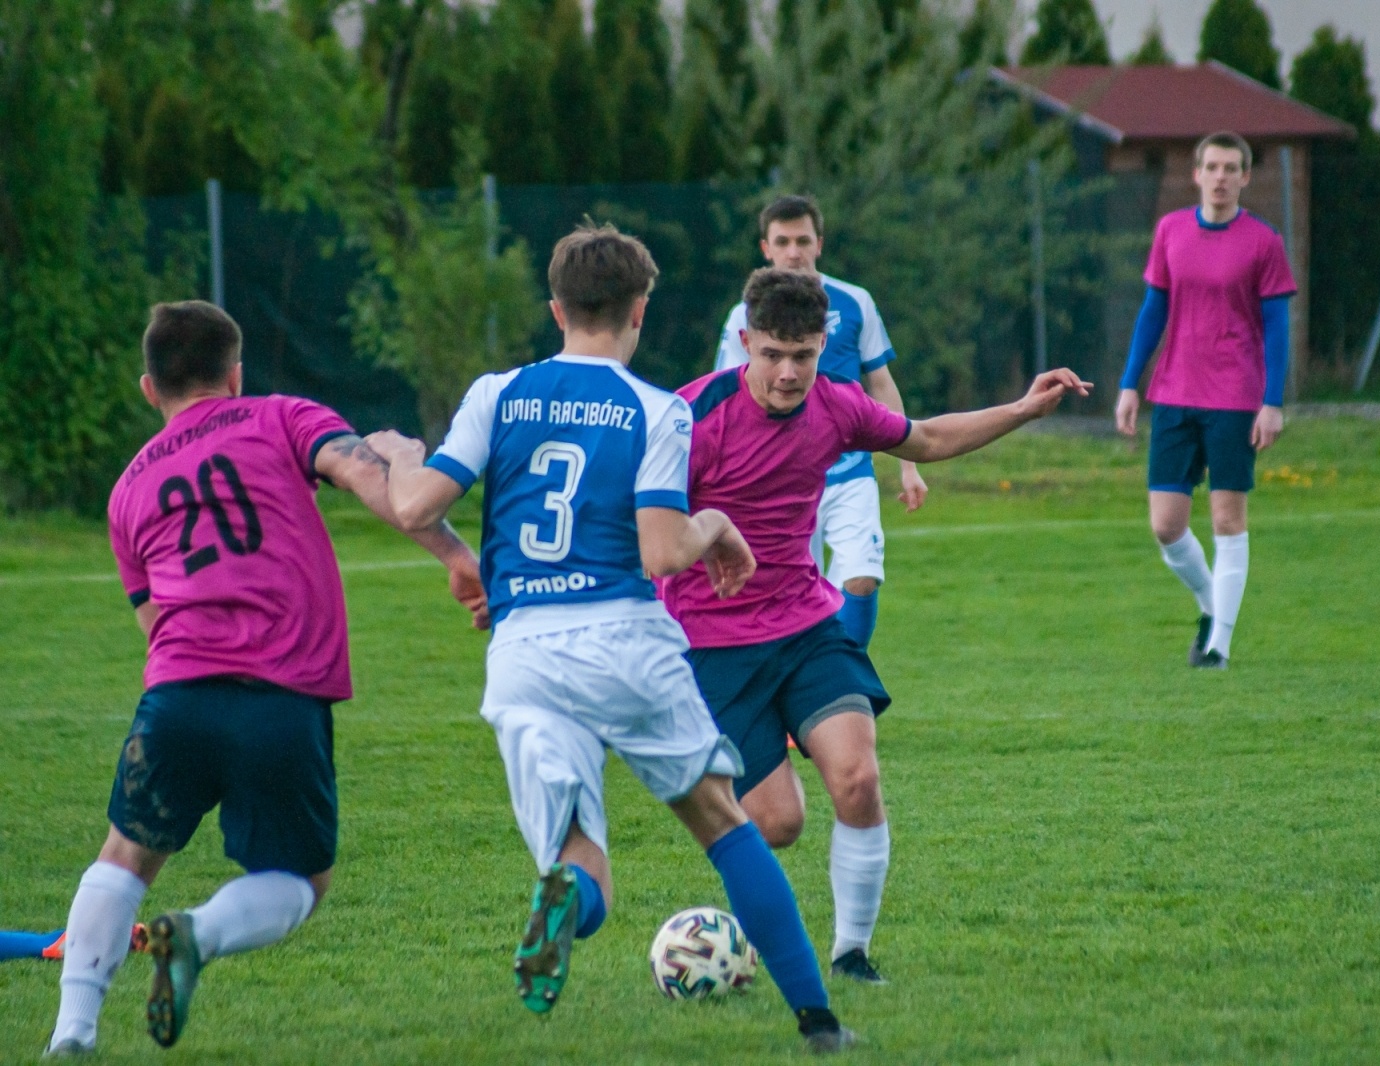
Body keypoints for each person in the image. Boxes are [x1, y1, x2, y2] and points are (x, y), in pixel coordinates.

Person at [367, 224, 857, 1053]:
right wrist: (717, 524)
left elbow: (414, 508)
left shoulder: (499, 392)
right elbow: (664, 550)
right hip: (626, 639)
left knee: (576, 855)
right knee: (723, 824)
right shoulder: (657, 408)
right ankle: (818, 1021)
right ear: (639, 310)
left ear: (556, 307)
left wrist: (399, 453)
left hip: (525, 651)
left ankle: (564, 899)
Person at [45, 301, 486, 1056]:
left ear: (149, 389)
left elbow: (152, 625)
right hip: (282, 695)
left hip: (177, 694)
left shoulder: (125, 493)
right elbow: (365, 473)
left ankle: (70, 1035)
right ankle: (201, 934)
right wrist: (453, 556)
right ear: (236, 373)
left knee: (124, 856)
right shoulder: (281, 416)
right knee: (300, 881)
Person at [665, 267, 1090, 984]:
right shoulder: (690, 416)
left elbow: (923, 439)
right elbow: (640, 523)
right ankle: (737, 927)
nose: (788, 373)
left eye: (803, 355)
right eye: (771, 355)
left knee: (858, 778)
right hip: (714, 645)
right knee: (778, 824)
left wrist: (1022, 409)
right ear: (744, 344)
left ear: (823, 345)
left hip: (806, 625)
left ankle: (851, 952)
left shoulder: (838, 405)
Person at [1114, 131, 1295, 670]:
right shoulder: (1170, 231)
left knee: (1227, 521)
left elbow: (1278, 327)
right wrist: (1129, 383)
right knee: (1166, 525)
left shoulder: (1264, 242)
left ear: (1245, 176)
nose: (1220, 177)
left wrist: (1273, 400)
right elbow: (1152, 312)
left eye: (1231, 168)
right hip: (1173, 394)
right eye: (1211, 167)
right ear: (1196, 175)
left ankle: (1218, 646)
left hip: (1236, 399)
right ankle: (1210, 609)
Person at [713, 195, 927, 650]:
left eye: (803, 240)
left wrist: (908, 465)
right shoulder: (743, 317)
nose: (794, 251)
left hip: (849, 471)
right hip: (778, 479)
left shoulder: (855, 302)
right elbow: (726, 396)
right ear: (765, 249)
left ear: (820, 244)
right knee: (791, 597)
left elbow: (881, 383)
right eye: (783, 241)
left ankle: (844, 679)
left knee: (862, 578)